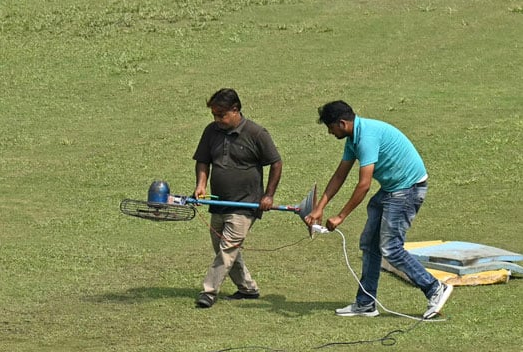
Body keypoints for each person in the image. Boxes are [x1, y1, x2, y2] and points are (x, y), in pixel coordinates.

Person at [304, 101, 452, 319]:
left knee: (391, 248)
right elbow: (339, 175)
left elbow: (363, 185)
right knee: (370, 244)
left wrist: (341, 216)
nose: (329, 132)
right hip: (392, 188)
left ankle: (434, 288)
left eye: (330, 127)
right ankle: (365, 303)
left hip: (408, 189)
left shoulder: (367, 138)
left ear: (342, 123)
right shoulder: (353, 137)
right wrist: (319, 208)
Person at [192, 88, 283, 308]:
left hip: (245, 204)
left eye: (221, 115)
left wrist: (268, 195)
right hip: (219, 203)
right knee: (222, 248)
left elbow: (276, 163)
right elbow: (203, 160)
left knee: (227, 249)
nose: (217, 120)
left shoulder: (256, 133)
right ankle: (248, 288)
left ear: (235, 110)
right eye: (214, 115)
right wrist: (201, 184)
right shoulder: (211, 131)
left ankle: (209, 292)